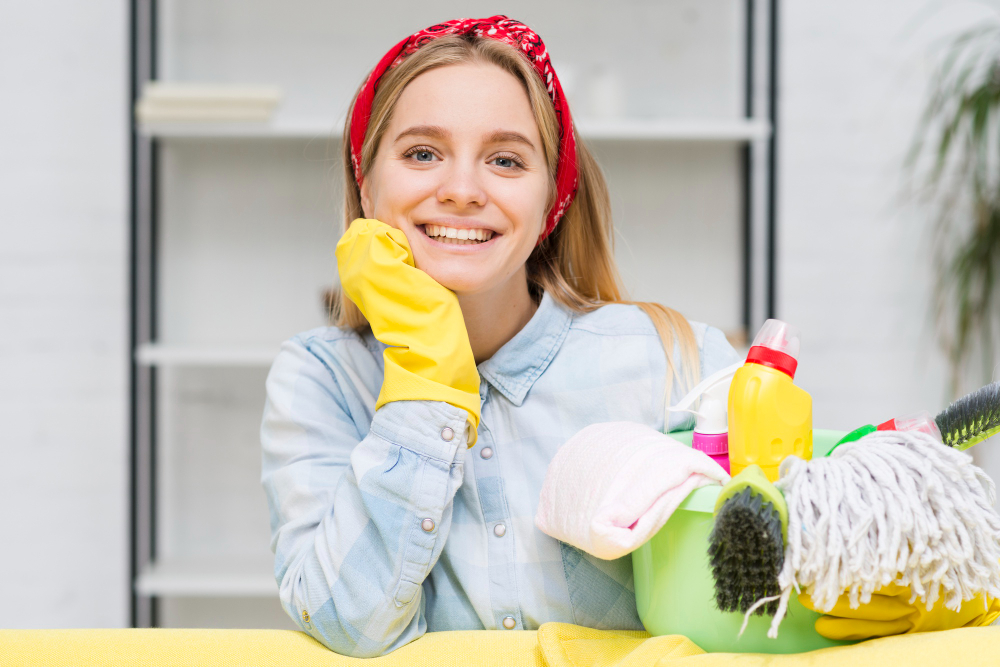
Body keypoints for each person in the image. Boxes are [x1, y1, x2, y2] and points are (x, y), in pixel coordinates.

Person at [259, 15, 995, 659]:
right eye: (422, 153)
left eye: (507, 159)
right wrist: (425, 372)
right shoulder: (320, 381)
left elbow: (787, 563)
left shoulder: (674, 362)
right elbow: (346, 622)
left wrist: (904, 586)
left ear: (552, 198)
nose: (461, 188)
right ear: (365, 181)